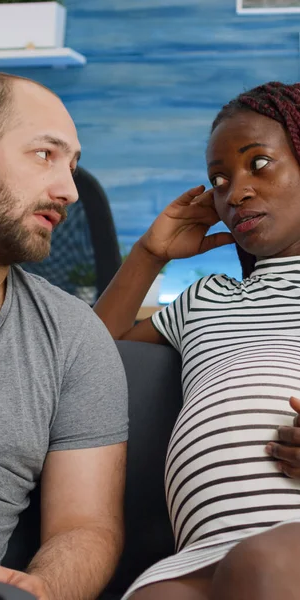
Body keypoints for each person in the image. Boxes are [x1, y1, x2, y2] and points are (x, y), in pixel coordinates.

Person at [94, 81, 300, 600]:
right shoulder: (206, 297)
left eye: (259, 164)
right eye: (219, 179)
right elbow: (89, 356)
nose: (236, 192)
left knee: (262, 567)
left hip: (283, 542)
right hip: (203, 551)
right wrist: (150, 253)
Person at [0, 71, 128, 600]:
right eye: (44, 154)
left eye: (73, 165)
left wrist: (42, 589)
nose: (70, 190)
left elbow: (86, 525)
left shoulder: (75, 337)